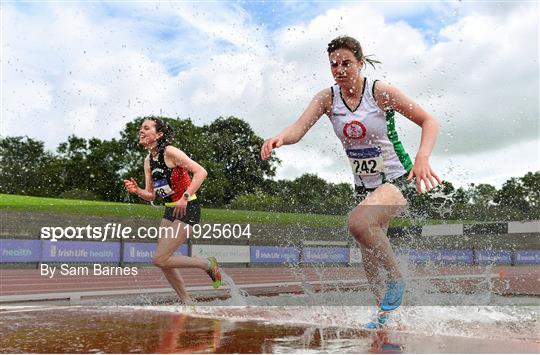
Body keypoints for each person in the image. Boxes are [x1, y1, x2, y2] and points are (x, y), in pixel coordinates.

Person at [260, 36, 441, 328]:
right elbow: (298, 128)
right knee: (367, 254)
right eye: (334, 64)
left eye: (346, 63)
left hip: (398, 178)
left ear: (359, 62)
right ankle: (384, 316)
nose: (340, 69)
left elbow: (429, 121)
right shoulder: (327, 98)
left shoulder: (379, 92)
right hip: (366, 186)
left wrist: (422, 157)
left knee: (358, 223)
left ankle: (397, 278)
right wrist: (281, 138)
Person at [124, 116, 221, 304]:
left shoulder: (170, 152)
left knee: (159, 259)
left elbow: (201, 172)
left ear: (159, 134)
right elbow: (151, 195)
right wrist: (137, 191)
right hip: (169, 210)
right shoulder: (148, 160)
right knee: (165, 261)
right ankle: (187, 301)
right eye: (140, 129)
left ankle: (208, 264)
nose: (141, 131)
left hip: (188, 207)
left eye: (146, 128)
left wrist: (184, 197)